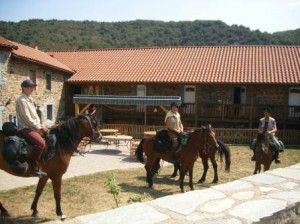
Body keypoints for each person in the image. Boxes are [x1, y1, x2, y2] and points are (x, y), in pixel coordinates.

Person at [16, 79, 48, 177]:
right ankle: (34, 168)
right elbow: (27, 118)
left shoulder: (29, 99)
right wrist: (38, 127)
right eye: (29, 87)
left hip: (33, 127)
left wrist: (42, 125)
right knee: (41, 144)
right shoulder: (21, 100)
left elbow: (35, 116)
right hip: (25, 128)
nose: (32, 89)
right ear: (23, 88)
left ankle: (45, 163)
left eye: (33, 87)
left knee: (50, 138)